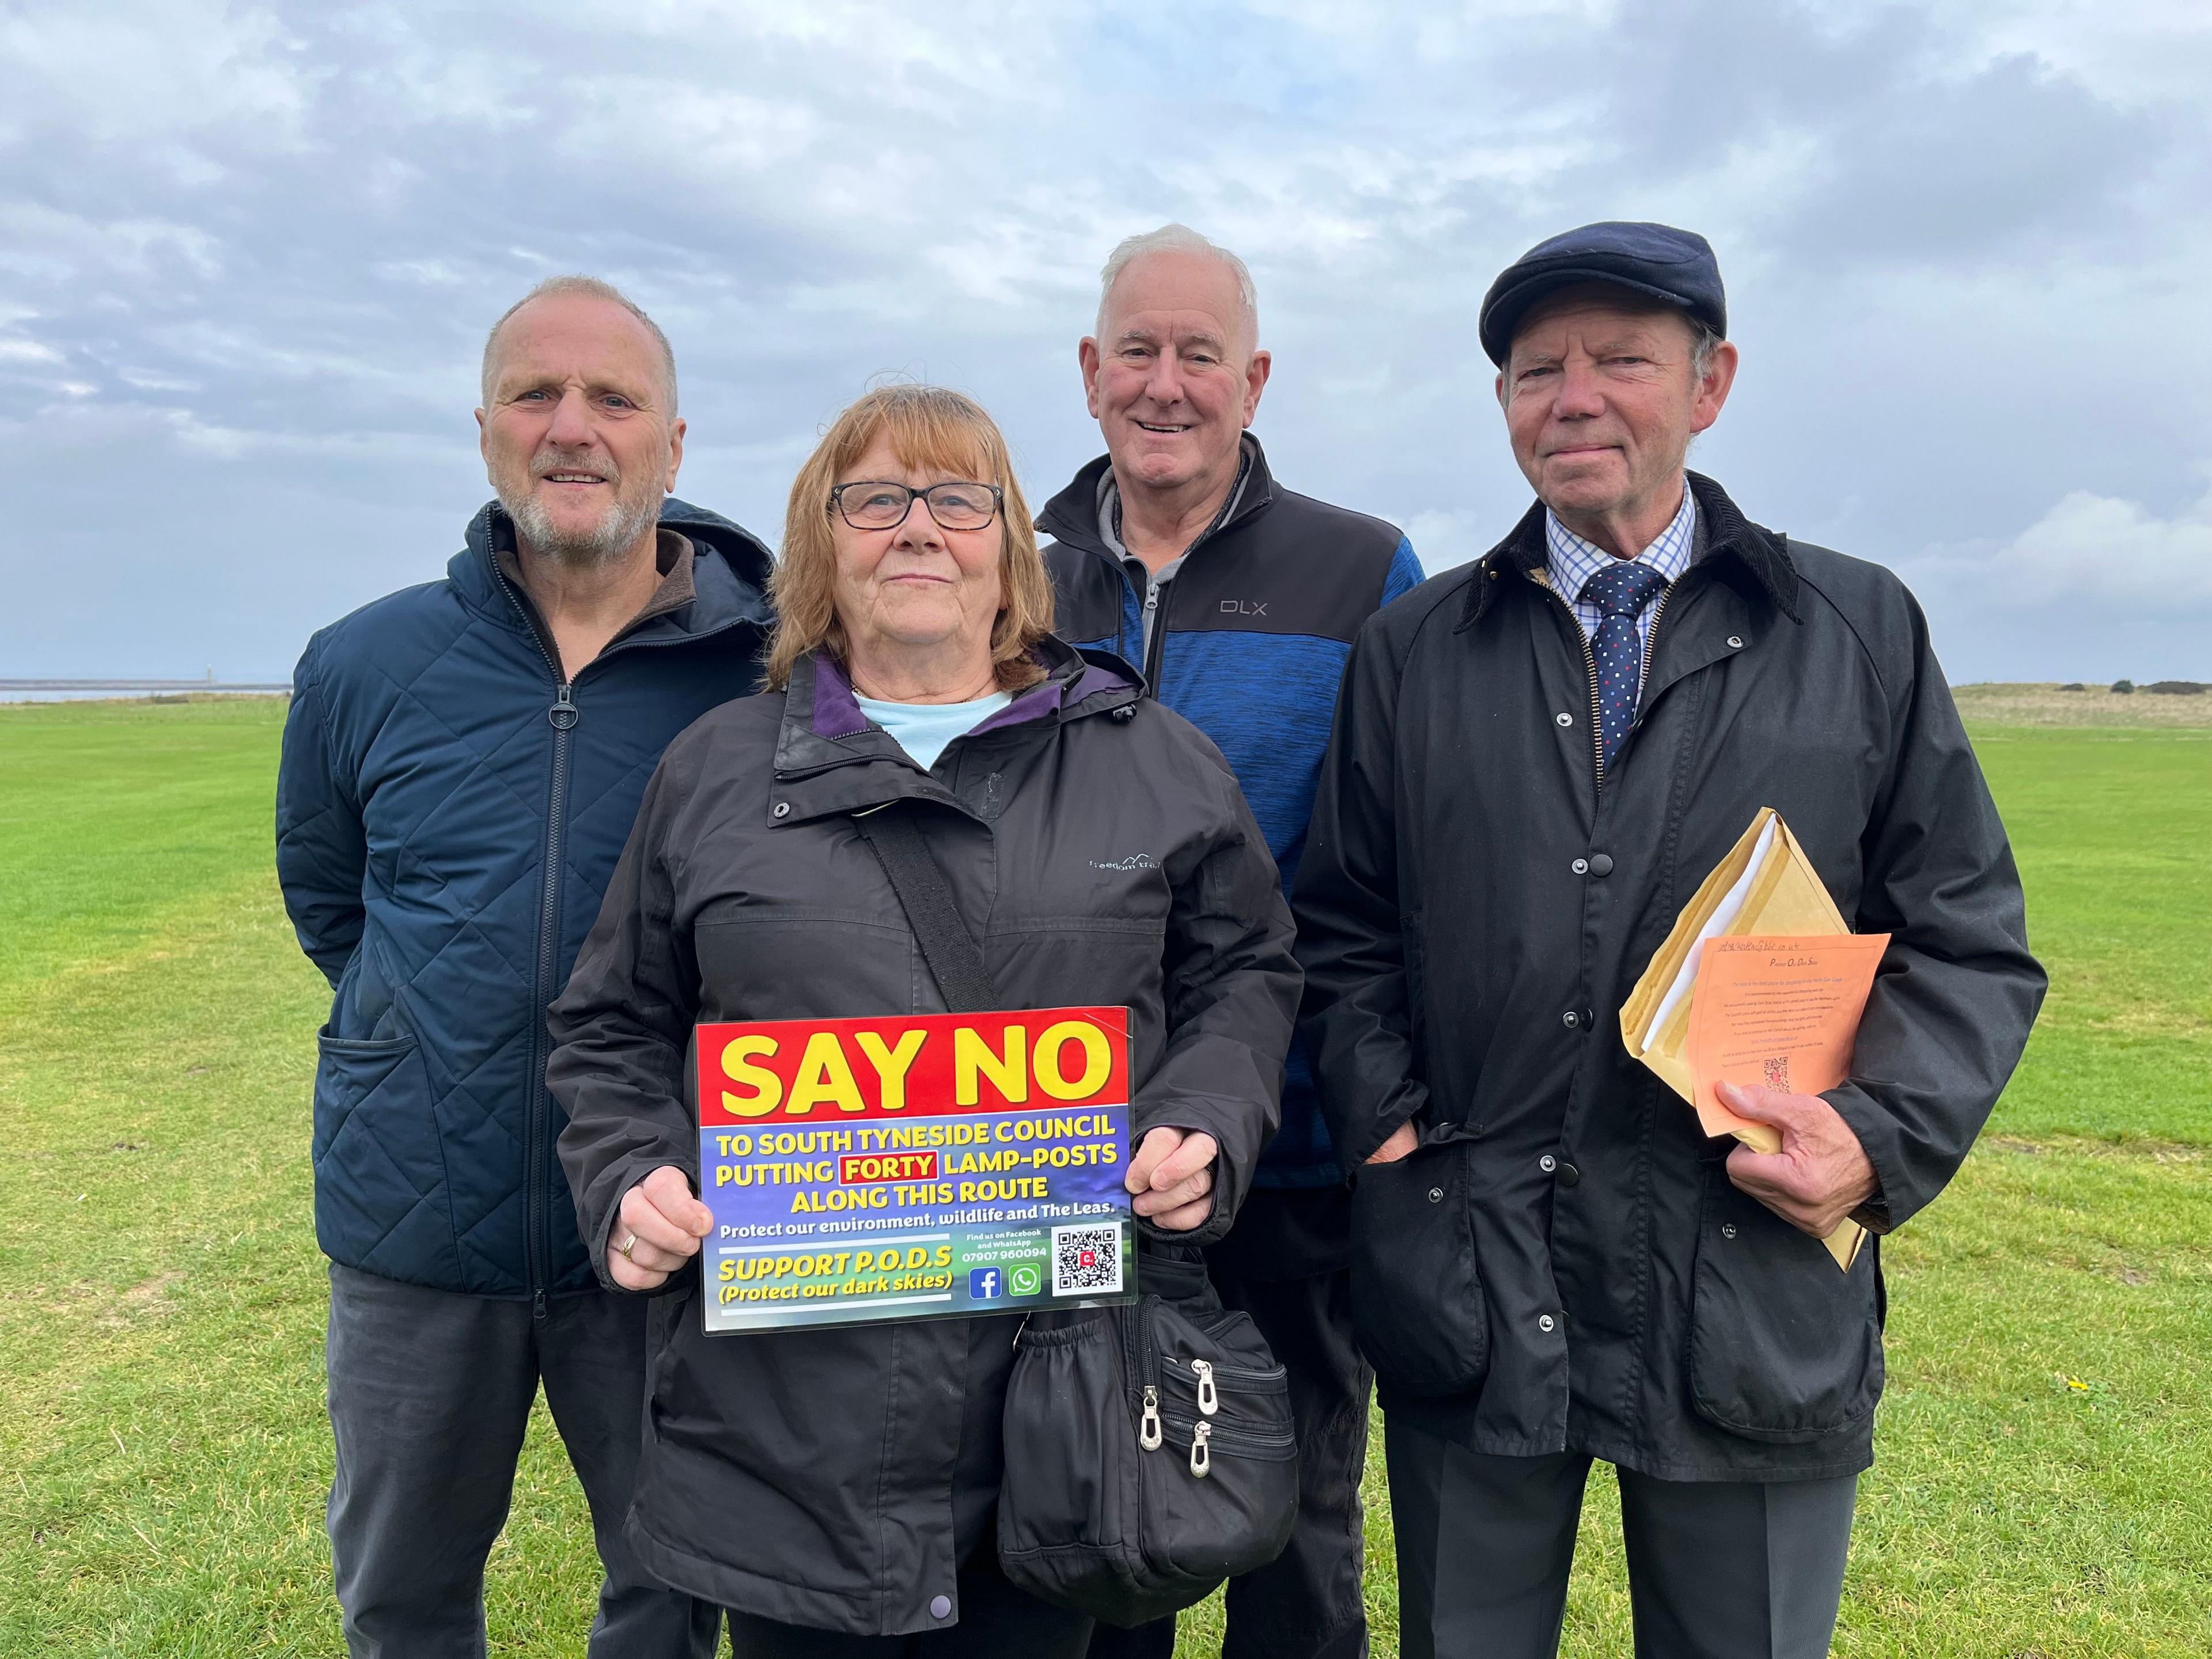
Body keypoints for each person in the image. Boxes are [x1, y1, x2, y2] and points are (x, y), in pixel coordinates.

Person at [1293, 222, 2047, 1659]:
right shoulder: (1419, 649)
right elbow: (1339, 931)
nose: (1573, 398)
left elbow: (1970, 941)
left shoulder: (1857, 627)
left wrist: (1874, 1142)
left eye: (1620, 361)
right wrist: (1390, 1135)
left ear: (1712, 385)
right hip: (1477, 1272)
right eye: (1535, 371)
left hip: (1749, 1282)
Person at [544, 383, 1302, 1656]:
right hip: (789, 1439)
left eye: (959, 500)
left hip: (1070, 1412)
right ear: (821, 543)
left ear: (1009, 549)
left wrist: (1204, 1118)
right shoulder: (716, 769)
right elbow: (612, 1025)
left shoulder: (1153, 757)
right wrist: (630, 1173)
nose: (917, 529)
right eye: (876, 498)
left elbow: (1249, 974)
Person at [275, 275, 772, 1658]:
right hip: (416, 1227)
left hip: (672, 1218)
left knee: (673, 1590)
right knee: (400, 1593)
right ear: (485, 429)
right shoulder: (364, 663)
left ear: (673, 446)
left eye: (616, 399)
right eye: (536, 394)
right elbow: (332, 900)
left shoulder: (765, 671)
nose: (575, 427)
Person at [1043, 224, 1422, 1659]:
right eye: (1136, 350)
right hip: (1057, 1151)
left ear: (1254, 379)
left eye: (1199, 354)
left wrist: (1383, 1103)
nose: (1165, 383)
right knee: (1094, 1524)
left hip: (1301, 1143)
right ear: (1089, 372)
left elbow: (1401, 865)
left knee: (1297, 1535)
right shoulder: (1012, 566)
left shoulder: (1361, 570)